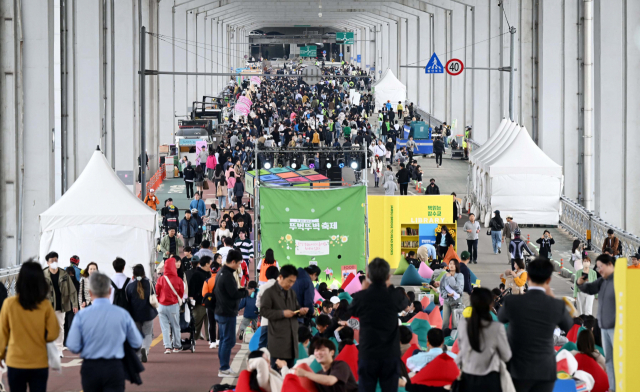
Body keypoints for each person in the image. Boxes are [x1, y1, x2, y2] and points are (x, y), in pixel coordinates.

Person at [498, 257, 573, 392]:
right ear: (549, 280)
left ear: (528, 277)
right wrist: (552, 298)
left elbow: (500, 319)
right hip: (545, 371)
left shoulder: (512, 302)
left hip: (517, 370)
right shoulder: (556, 305)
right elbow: (568, 325)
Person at [67, 272, 143, 392]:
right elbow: (137, 342)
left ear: (90, 293)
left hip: (90, 367)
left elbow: (73, 346)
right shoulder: (122, 314)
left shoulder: (81, 316)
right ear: (110, 291)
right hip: (114, 367)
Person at [0, 261, 60, 392]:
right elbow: (54, 333)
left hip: (15, 361)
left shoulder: (9, 304)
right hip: (39, 361)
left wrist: (0, 355)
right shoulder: (45, 305)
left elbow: (2, 333)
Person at [349, 258, 407, 392]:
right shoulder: (394, 295)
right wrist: (389, 286)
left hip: (368, 353)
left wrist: (363, 290)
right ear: (389, 276)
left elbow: (351, 310)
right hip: (390, 354)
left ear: (368, 276)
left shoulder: (362, 297)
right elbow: (404, 303)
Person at [456, 288, 512, 391]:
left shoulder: (463, 324)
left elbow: (462, 348)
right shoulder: (497, 327)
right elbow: (506, 356)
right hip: (490, 380)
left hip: (468, 378)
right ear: (491, 304)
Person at [577, 254, 616, 390]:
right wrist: (580, 283)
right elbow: (590, 288)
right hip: (603, 326)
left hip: (615, 327)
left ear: (610, 264)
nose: (599, 270)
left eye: (601, 266)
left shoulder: (620, 281)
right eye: (597, 267)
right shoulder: (602, 281)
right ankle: (613, 387)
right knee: (609, 360)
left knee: (618, 359)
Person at [260, 265, 308, 370]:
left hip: (292, 338)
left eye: (293, 282)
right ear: (280, 277)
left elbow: (296, 308)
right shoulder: (269, 292)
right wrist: (282, 313)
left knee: (290, 372)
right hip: (278, 339)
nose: (291, 284)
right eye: (289, 281)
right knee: (277, 372)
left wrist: (301, 312)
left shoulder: (292, 292)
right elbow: (263, 311)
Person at [214, 249, 248, 377]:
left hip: (221, 310)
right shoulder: (227, 275)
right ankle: (224, 368)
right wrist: (246, 292)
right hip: (227, 312)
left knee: (224, 340)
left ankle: (223, 366)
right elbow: (233, 294)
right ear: (233, 261)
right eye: (238, 263)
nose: (239, 266)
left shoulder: (221, 272)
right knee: (228, 340)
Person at [43, 251, 78, 353]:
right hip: (47, 306)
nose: (54, 262)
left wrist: (75, 304)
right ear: (47, 263)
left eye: (56, 260)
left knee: (60, 327)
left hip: (61, 305)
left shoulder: (64, 274)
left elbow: (72, 291)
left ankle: (59, 349)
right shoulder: (43, 274)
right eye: (52, 260)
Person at [126, 264, 158, 363]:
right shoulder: (150, 283)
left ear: (133, 274)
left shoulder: (130, 286)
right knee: (148, 333)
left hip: (135, 315)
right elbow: (154, 295)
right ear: (144, 273)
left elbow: (128, 301)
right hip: (148, 313)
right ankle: (145, 348)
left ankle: (139, 354)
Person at [155, 257, 185, 354]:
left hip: (161, 306)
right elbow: (181, 293)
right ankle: (176, 346)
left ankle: (167, 347)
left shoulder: (160, 279)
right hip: (173, 305)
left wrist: (160, 300)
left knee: (165, 327)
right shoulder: (178, 280)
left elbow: (157, 292)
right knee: (175, 326)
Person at [188, 256, 212, 342]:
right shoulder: (197, 274)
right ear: (206, 264)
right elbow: (191, 288)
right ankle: (193, 338)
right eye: (210, 263)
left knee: (209, 321)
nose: (211, 265)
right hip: (199, 302)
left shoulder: (209, 273)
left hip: (209, 301)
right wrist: (192, 299)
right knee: (197, 322)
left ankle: (210, 338)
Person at [256, 266, 281, 350]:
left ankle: (261, 361)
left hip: (265, 320)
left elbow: (258, 304)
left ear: (266, 275)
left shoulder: (262, 288)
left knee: (262, 345)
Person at [440, 259, 464, 329]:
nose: (451, 265)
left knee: (455, 324)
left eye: (453, 264)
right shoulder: (444, 276)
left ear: (456, 265)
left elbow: (458, 288)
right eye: (450, 263)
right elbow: (442, 288)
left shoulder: (460, 275)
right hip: (447, 301)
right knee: (445, 323)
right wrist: (447, 295)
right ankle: (444, 338)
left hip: (456, 301)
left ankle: (455, 339)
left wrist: (450, 277)